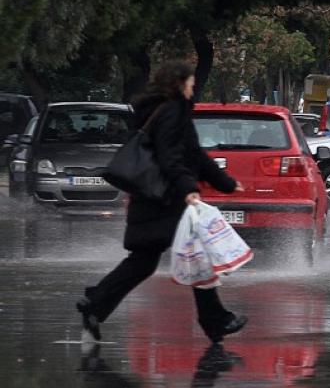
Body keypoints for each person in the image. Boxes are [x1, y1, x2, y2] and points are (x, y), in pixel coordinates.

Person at [77, 61, 247, 345]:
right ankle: (216, 321)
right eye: (191, 82)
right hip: (167, 200)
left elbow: (194, 155)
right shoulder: (173, 111)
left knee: (144, 262)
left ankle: (95, 303)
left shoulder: (160, 110)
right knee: (197, 258)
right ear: (180, 83)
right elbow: (171, 156)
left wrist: (226, 183)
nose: (194, 87)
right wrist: (188, 189)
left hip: (152, 199)